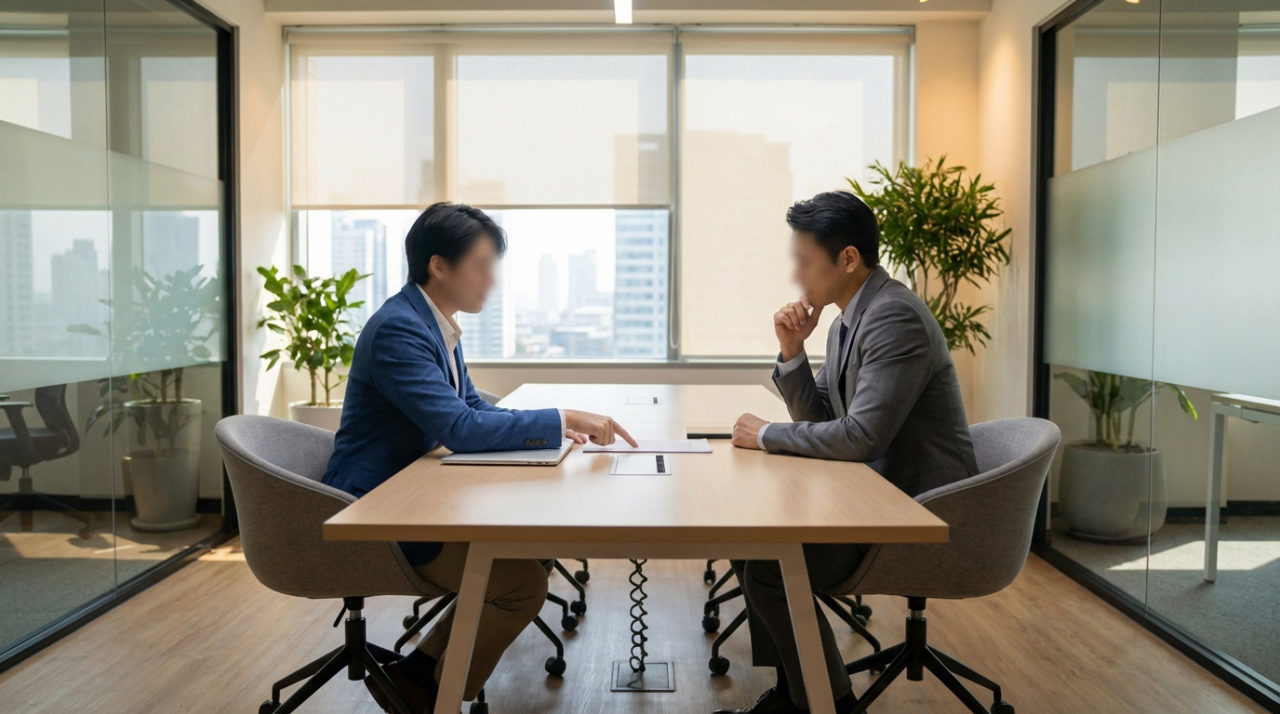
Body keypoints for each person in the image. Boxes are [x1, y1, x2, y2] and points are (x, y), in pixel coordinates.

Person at [322, 201, 637, 713]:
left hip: (417, 496)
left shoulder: (433, 323)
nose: (491, 280)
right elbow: (460, 429)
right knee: (519, 584)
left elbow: (467, 407)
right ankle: (438, 698)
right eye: (482, 265)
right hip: (381, 513)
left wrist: (554, 430)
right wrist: (563, 418)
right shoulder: (400, 331)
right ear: (438, 265)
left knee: (529, 547)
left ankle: (419, 673)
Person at [719, 191, 978, 714]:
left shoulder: (893, 317)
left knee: (770, 562)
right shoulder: (847, 320)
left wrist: (766, 434)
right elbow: (823, 424)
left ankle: (825, 702)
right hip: (872, 497)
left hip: (916, 514)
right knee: (750, 544)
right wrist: (793, 352)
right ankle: (799, 692)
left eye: (804, 261)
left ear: (849, 258)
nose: (797, 277)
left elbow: (860, 437)